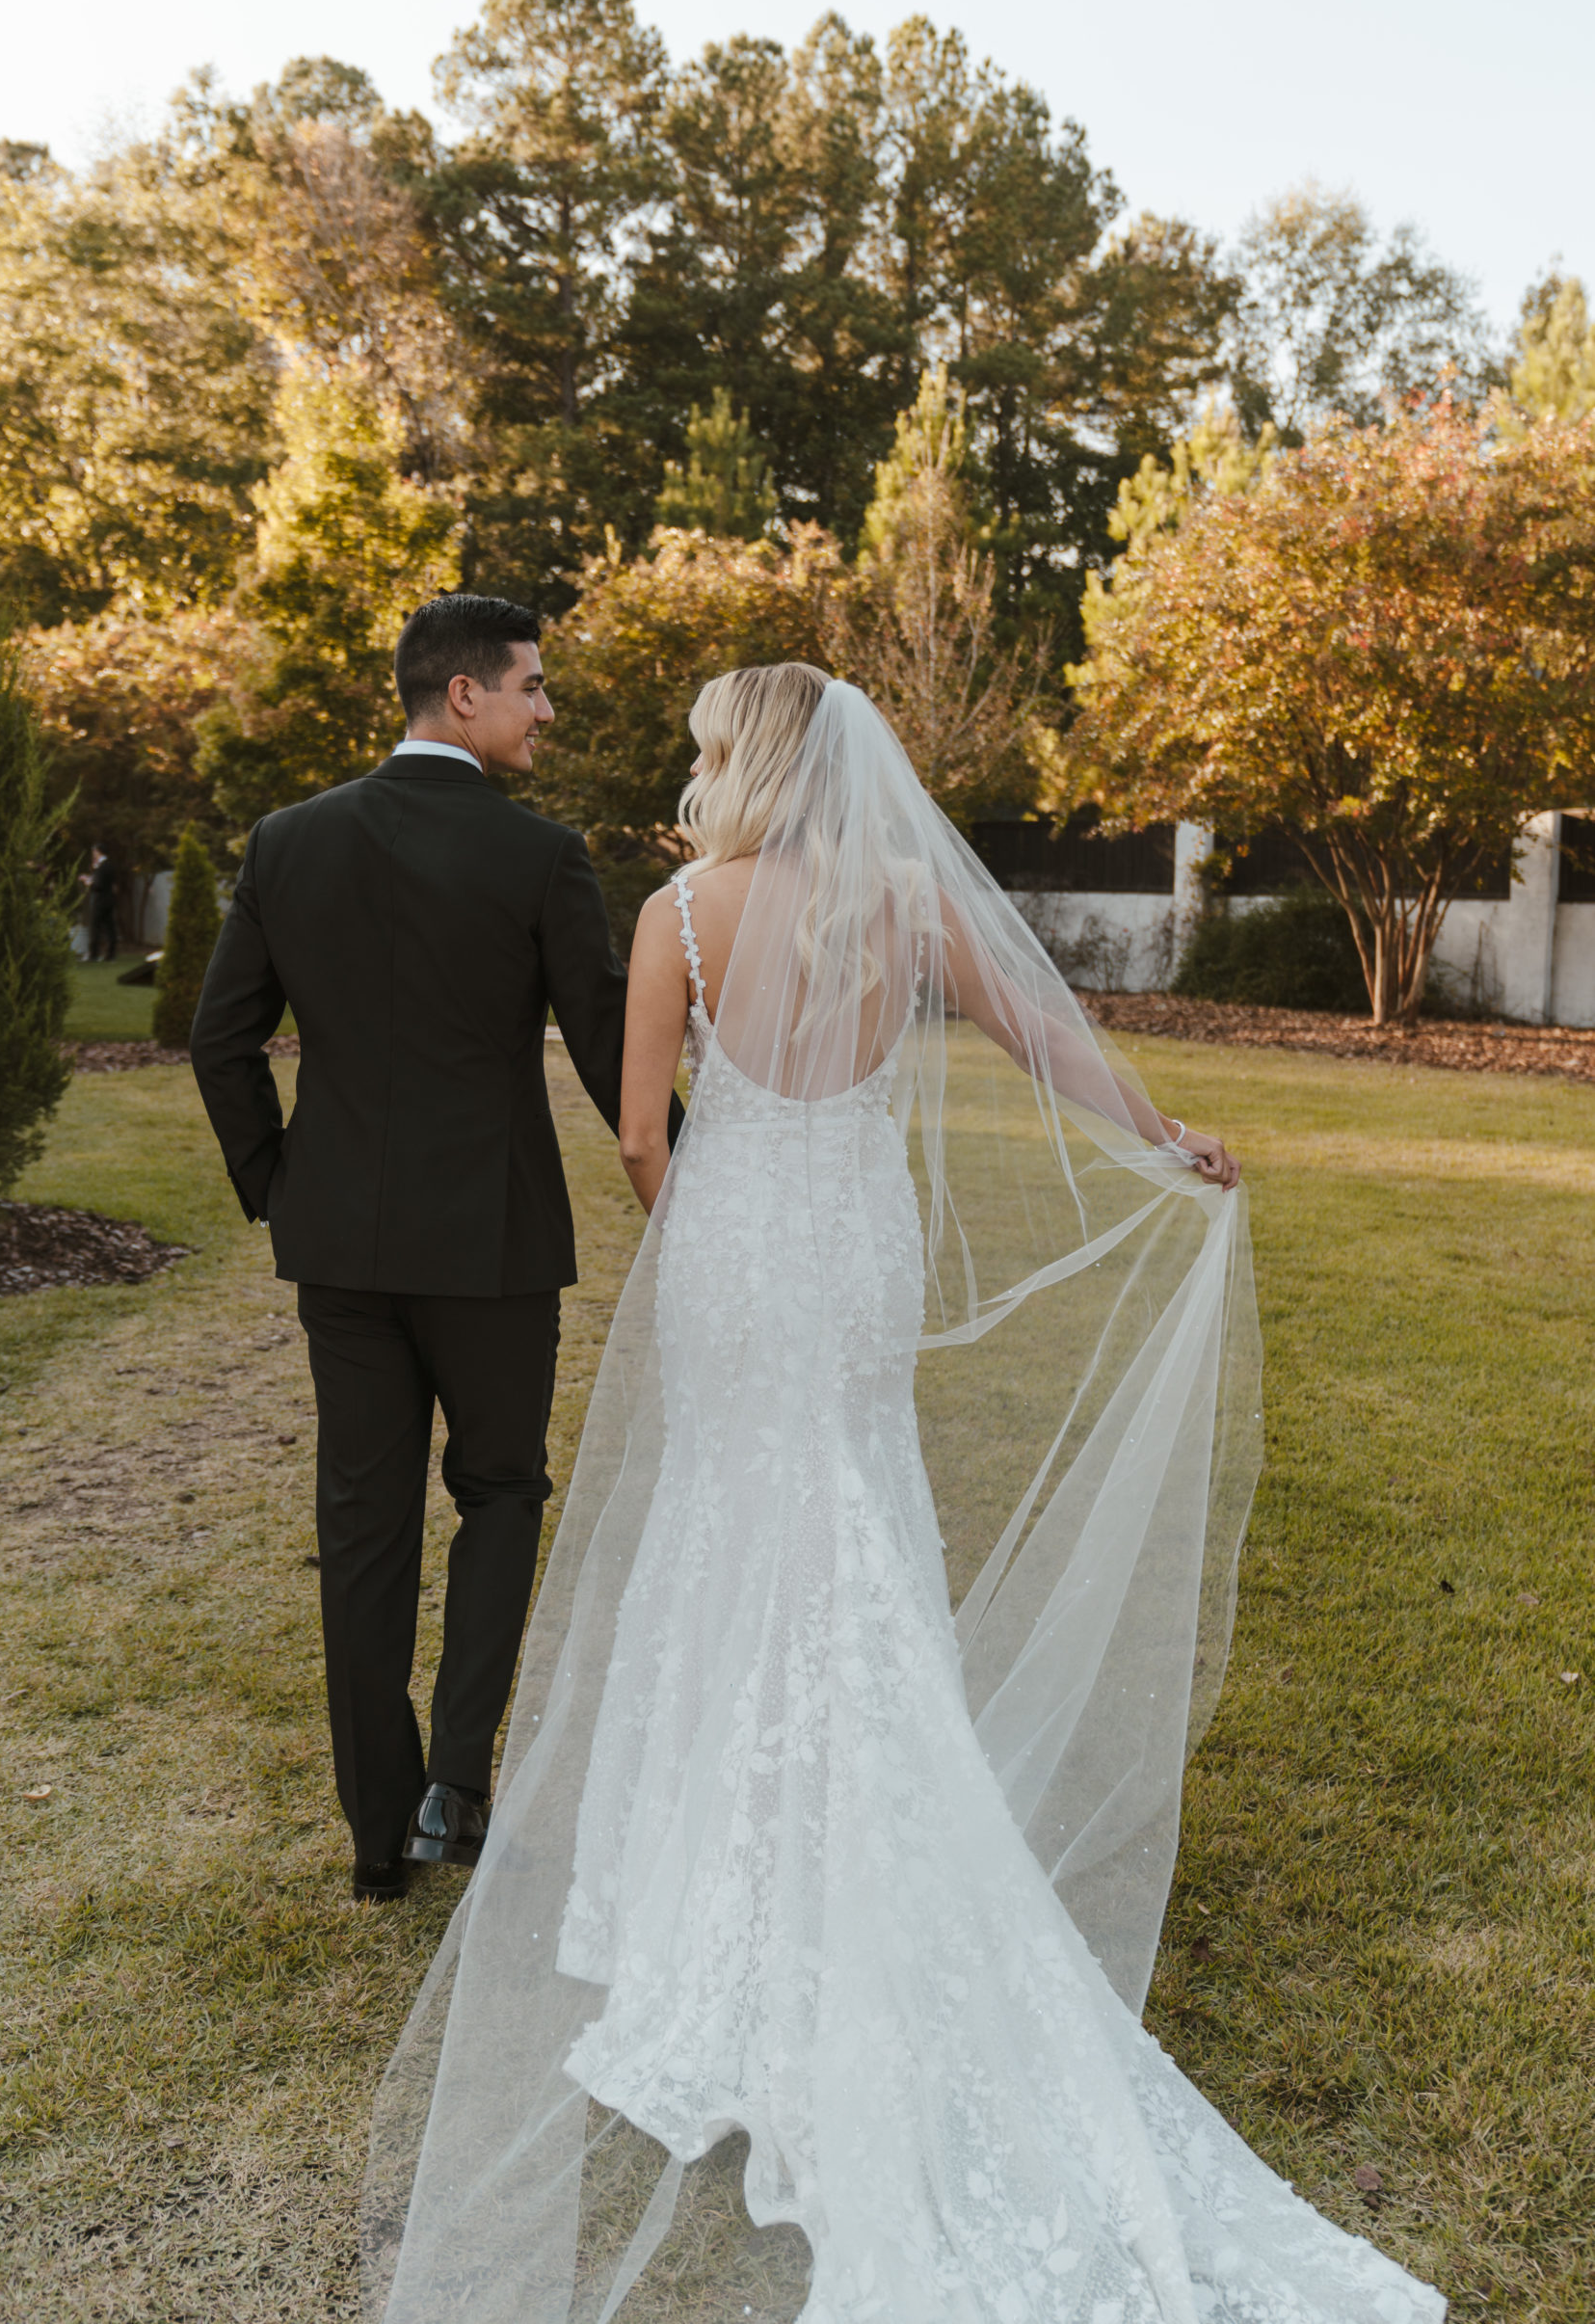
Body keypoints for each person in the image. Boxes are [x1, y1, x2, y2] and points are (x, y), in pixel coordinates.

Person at [367, 665, 1443, 2323]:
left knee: (726, 1526)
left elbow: (644, 1131)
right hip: (856, 1247)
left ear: (744, 758)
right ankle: (844, 1816)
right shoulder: (904, 900)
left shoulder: (676, 912)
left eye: (707, 737)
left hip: (735, 1242)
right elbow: (1045, 1038)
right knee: (851, 1518)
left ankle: (709, 1884)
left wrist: (697, 1220)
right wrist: (1164, 1135)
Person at [190, 593, 678, 1907]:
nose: (545, 709)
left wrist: (278, 1189)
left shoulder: (288, 842)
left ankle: (372, 1837)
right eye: (531, 685)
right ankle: (454, 1785)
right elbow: (598, 1038)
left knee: (361, 1528)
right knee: (502, 1494)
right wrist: (697, 1171)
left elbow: (217, 1039)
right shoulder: (539, 857)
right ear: (462, 696)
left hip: (337, 1245)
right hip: (494, 1244)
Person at [79, 845, 118, 961]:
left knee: (95, 927)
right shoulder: (110, 865)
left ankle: (93, 954)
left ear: (98, 852)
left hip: (100, 901)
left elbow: (98, 885)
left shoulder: (102, 867)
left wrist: (87, 882)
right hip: (109, 900)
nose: (93, 854)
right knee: (110, 927)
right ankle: (110, 954)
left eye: (94, 852)